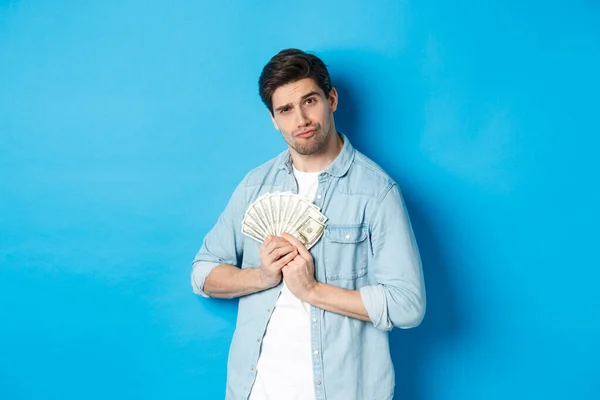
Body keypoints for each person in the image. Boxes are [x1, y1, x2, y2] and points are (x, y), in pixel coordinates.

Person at [191, 48, 426, 400]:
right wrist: (261, 276)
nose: (300, 119)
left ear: (331, 99)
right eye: (285, 109)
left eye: (309, 100)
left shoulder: (376, 192)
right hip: (254, 390)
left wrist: (313, 290)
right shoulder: (256, 186)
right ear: (273, 118)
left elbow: (408, 305)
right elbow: (202, 274)